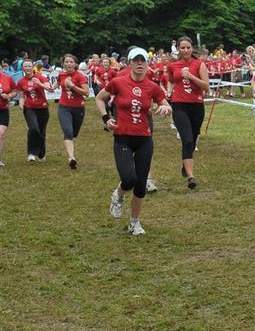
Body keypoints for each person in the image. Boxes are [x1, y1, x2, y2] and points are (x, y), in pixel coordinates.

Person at [96, 48, 172, 235]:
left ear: (147, 64)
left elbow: (165, 103)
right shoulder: (118, 82)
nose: (139, 64)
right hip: (123, 138)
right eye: (136, 60)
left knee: (141, 184)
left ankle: (134, 222)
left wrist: (165, 108)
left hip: (144, 138)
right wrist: (106, 119)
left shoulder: (152, 86)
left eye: (142, 60)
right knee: (129, 179)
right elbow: (99, 98)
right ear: (129, 63)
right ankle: (118, 194)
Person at [167, 36, 210, 189]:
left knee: (193, 137)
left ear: (192, 49)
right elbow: (171, 80)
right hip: (179, 105)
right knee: (187, 140)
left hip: (197, 105)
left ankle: (186, 163)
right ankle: (191, 177)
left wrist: (191, 77)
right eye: (182, 48)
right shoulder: (172, 65)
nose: (185, 50)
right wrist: (169, 92)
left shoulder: (199, 64)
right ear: (178, 49)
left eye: (188, 47)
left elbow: (206, 86)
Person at [55, 54, 90, 169]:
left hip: (78, 108)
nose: (69, 64)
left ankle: (71, 149)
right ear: (63, 64)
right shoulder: (61, 75)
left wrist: (72, 86)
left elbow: (86, 93)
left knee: (74, 133)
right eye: (67, 62)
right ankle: (71, 158)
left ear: (75, 64)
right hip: (64, 107)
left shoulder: (79, 76)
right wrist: (43, 84)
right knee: (68, 132)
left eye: (71, 62)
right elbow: (54, 86)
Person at [16, 59, 51, 162]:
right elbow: (21, 96)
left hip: (43, 107)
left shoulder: (40, 77)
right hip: (29, 108)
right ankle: (31, 153)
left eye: (29, 66)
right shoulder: (21, 81)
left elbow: (49, 88)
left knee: (41, 130)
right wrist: (21, 104)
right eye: (25, 66)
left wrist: (39, 83)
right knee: (33, 128)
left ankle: (41, 153)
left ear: (33, 67)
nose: (27, 68)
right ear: (22, 68)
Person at [0, 68, 16, 167]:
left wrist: (8, 96)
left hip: (3, 110)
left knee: (1, 133)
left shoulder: (7, 78)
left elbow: (14, 91)